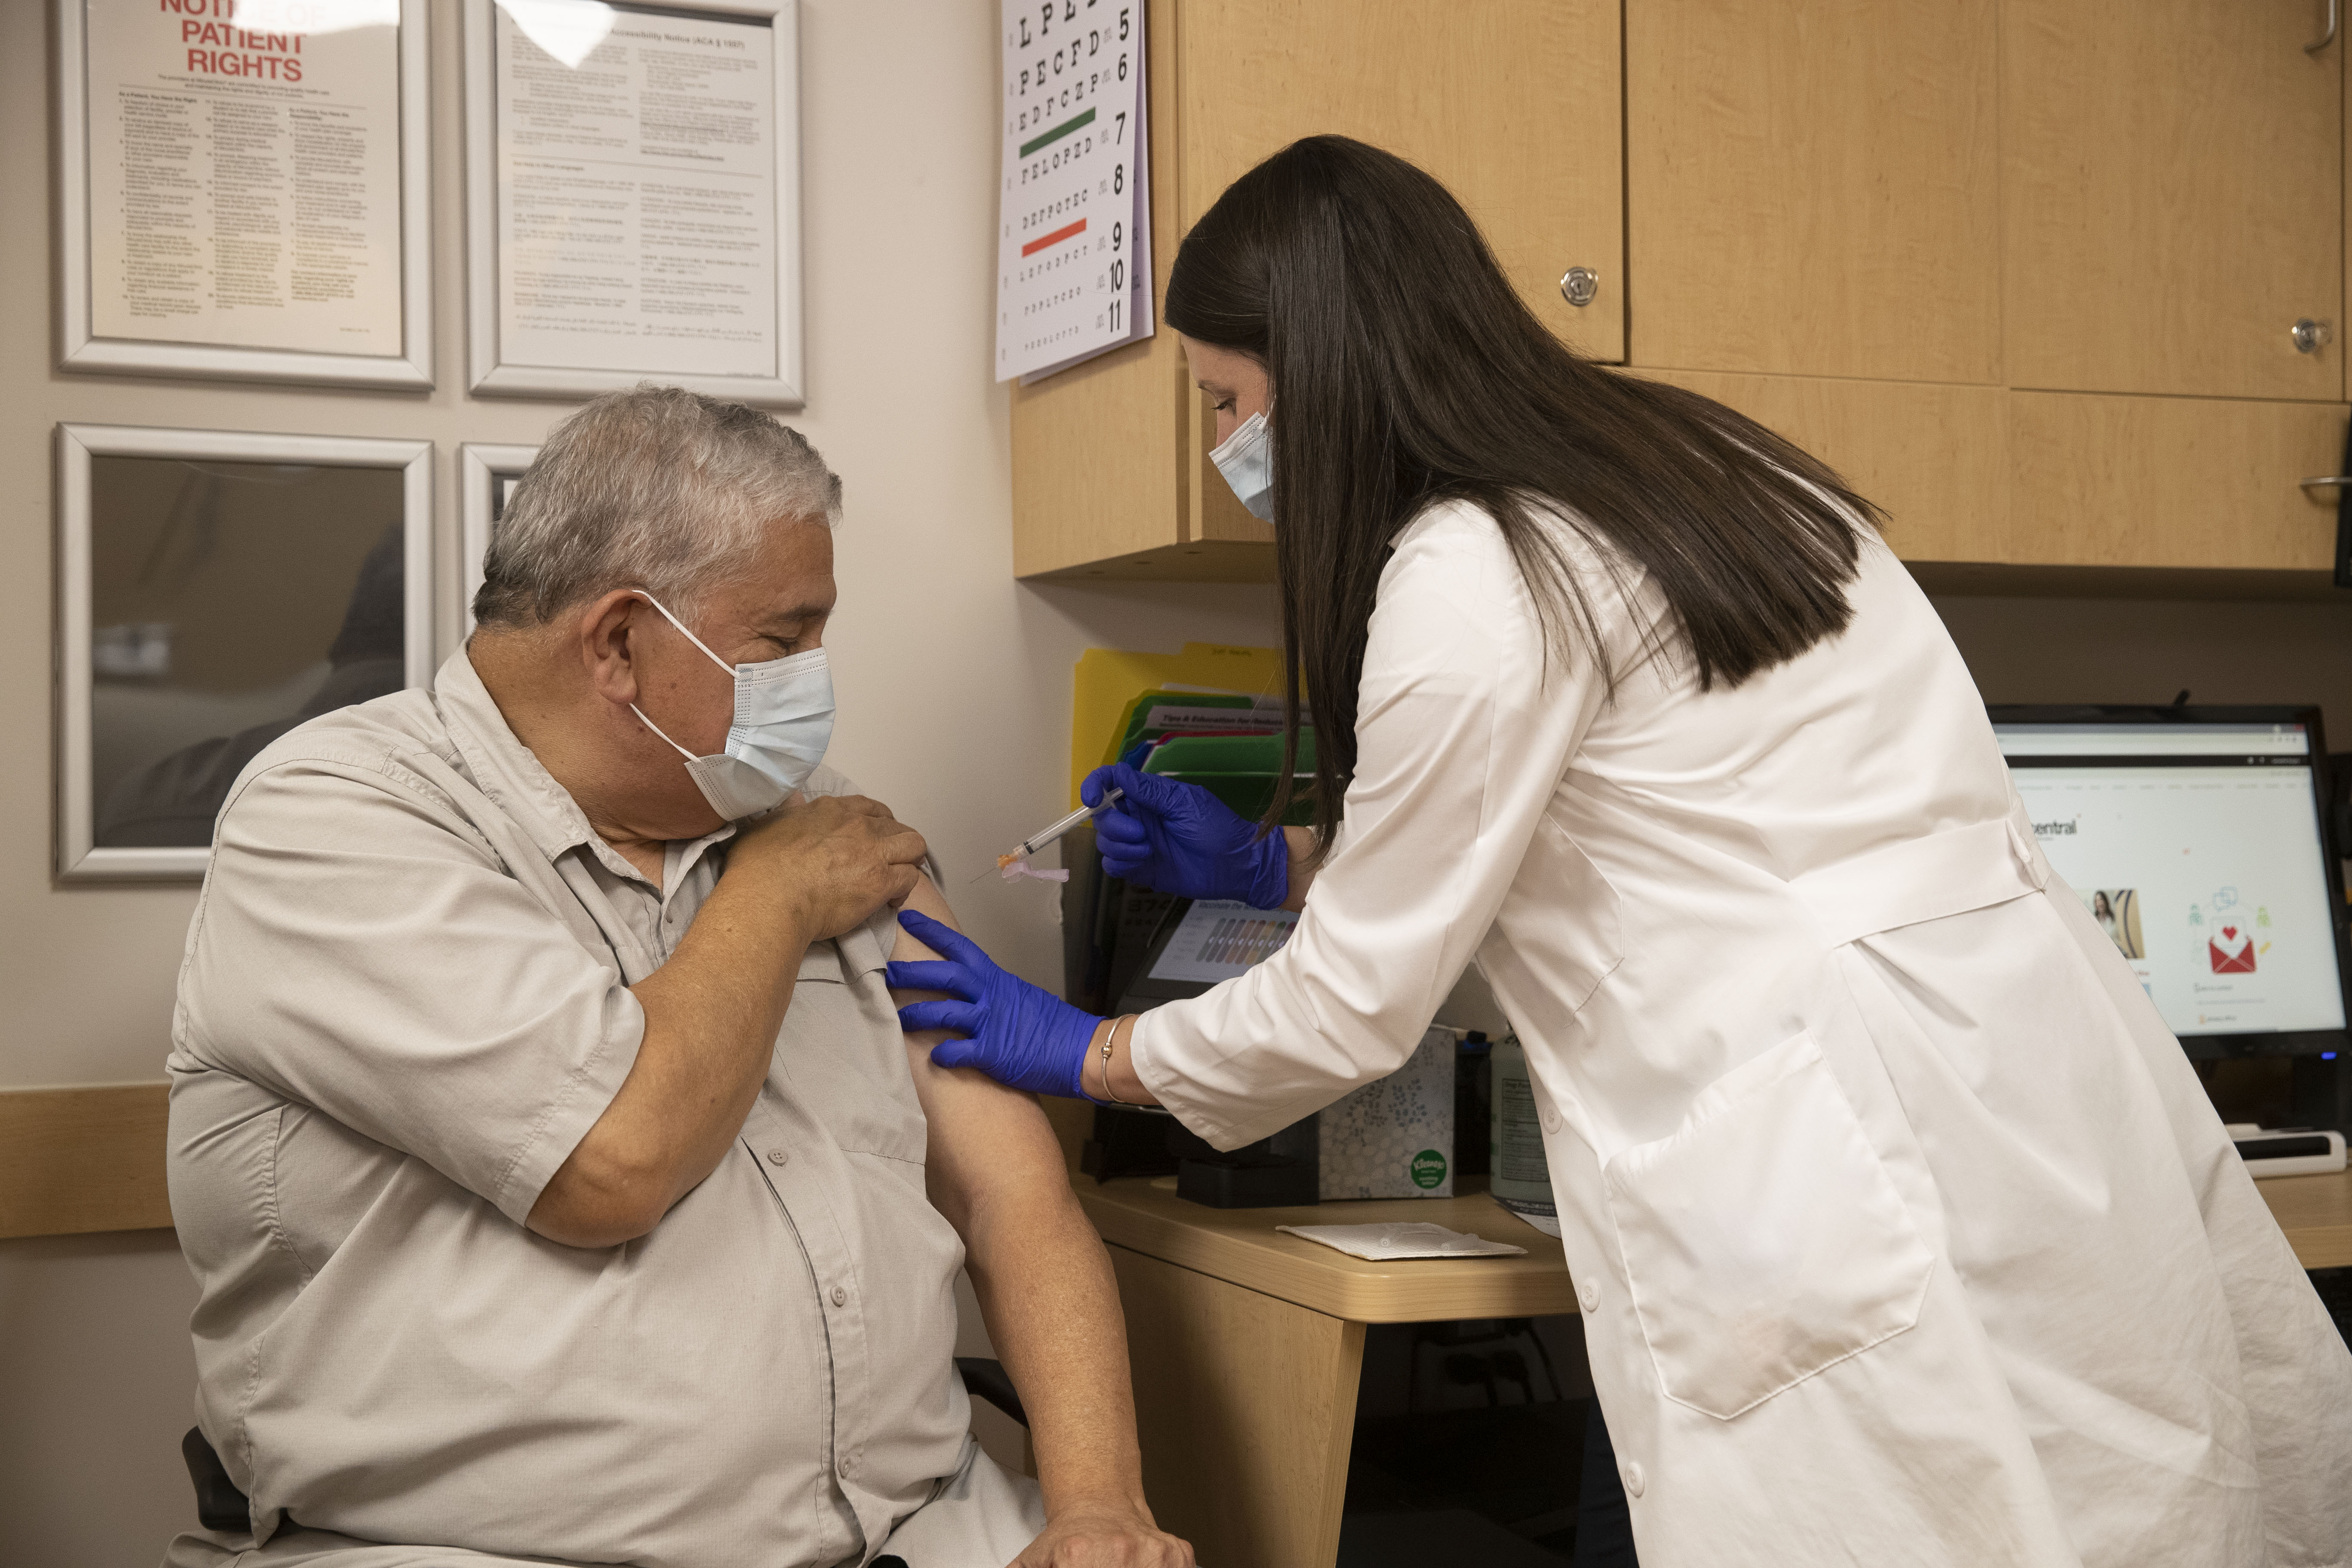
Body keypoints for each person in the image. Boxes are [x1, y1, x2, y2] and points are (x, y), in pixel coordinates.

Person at [889, 138, 2352, 1566]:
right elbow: (1648, 819)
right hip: (2029, 1078)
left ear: (1325, 371)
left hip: (1826, 1133)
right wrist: (1280, 865)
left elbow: (1356, 1001)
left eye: (1228, 399)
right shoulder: (1703, 467)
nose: (1225, 449)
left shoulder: (1473, 572)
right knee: (2129, 1486)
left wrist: (1087, 1052)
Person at [163, 387, 1194, 1568]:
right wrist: (774, 897)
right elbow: (611, 1162)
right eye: (783, 640)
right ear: (616, 643)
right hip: (464, 1550)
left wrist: (1100, 1510)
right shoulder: (340, 819)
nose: (815, 675)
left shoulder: (812, 827)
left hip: (917, 1524)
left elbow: (1012, 1190)